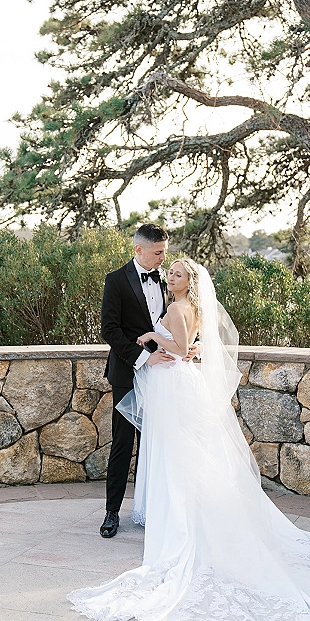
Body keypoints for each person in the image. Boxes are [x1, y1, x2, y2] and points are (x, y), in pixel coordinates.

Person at [69, 258, 310, 621]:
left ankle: (179, 517)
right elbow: (186, 343)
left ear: (187, 281)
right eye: (167, 270)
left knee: (174, 454)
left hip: (171, 383)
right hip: (173, 381)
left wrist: (149, 340)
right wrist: (174, 346)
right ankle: (135, 509)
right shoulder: (179, 302)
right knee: (173, 452)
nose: (168, 275)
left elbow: (175, 345)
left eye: (175, 272)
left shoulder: (176, 307)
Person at [98, 224, 196, 538]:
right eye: (158, 253)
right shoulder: (116, 280)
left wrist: (193, 346)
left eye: (165, 252)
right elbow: (110, 331)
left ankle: (151, 509)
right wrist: (145, 358)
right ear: (139, 249)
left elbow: (183, 318)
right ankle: (112, 512)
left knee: (156, 443)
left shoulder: (169, 280)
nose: (163, 259)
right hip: (130, 371)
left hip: (163, 377)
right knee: (123, 442)